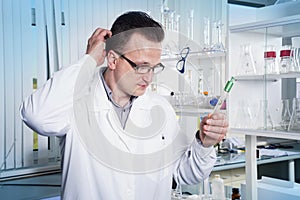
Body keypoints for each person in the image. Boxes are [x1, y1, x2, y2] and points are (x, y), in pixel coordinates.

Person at [20, 11, 228, 200]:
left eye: (154, 68)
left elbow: (185, 174)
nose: (149, 77)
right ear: (112, 59)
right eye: (141, 66)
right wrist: (90, 60)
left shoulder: (160, 108)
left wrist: (204, 143)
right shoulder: (76, 101)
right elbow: (36, 116)